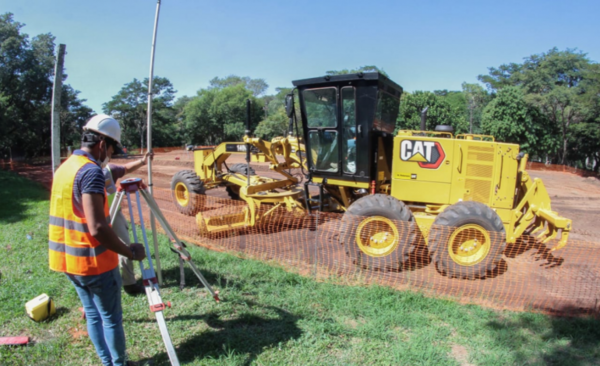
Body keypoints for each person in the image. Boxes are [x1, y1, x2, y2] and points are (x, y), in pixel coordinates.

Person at [48, 114, 146, 366]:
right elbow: (98, 228)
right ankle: (119, 364)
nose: (110, 155)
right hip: (94, 263)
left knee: (93, 316)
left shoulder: (66, 166)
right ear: (103, 144)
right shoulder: (90, 172)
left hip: (68, 261)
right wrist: (129, 251)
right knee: (111, 318)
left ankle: (108, 362)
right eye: (112, 148)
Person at [104, 151, 153, 295]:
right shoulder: (85, 171)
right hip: (94, 217)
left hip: (113, 213)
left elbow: (125, 168)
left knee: (124, 246)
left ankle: (129, 284)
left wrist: (142, 161)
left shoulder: (108, 170)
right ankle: (104, 282)